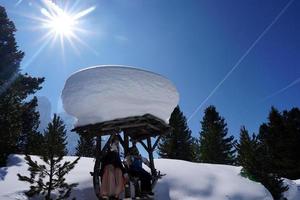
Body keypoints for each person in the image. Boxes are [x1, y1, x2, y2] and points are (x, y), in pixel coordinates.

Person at [100, 135, 128, 199]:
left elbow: (118, 163)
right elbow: (104, 160)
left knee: (118, 172)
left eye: (117, 143)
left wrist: (123, 171)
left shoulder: (116, 152)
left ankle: (115, 194)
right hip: (108, 167)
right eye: (115, 142)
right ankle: (108, 193)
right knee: (110, 172)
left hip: (115, 167)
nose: (116, 144)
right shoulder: (108, 150)